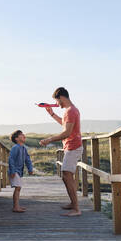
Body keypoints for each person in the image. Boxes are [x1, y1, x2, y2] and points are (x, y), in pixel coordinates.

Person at [40, 87, 82, 216]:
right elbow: (65, 125)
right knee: (67, 176)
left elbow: (67, 132)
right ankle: (73, 204)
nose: (57, 104)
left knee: (66, 175)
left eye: (57, 101)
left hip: (73, 147)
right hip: (72, 147)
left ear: (61, 98)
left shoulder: (70, 111)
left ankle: (76, 209)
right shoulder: (72, 110)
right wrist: (52, 114)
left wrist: (49, 139)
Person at [8, 130, 34, 213]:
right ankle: (15, 207)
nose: (24, 136)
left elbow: (27, 159)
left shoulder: (23, 148)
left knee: (18, 188)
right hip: (14, 171)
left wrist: (30, 169)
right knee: (18, 188)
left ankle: (17, 205)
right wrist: (12, 171)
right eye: (21, 135)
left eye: (23, 134)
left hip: (18, 171)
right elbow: (11, 159)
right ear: (16, 139)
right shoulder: (15, 148)